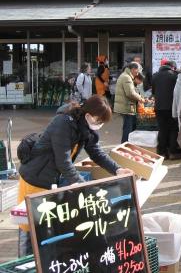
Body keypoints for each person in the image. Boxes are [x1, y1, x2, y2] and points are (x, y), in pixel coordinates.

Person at [17, 95, 133, 256]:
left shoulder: (85, 128)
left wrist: (117, 169)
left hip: (51, 180)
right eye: (98, 120)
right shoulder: (63, 123)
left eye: (101, 123)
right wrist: (81, 185)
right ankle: (22, 263)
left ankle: (41, 262)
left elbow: (96, 153)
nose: (99, 125)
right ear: (88, 115)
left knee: (45, 227)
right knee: (29, 227)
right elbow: (63, 162)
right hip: (34, 178)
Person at [152, 59, 181, 160]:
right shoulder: (174, 76)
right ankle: (173, 152)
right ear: (173, 67)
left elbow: (153, 91)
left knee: (162, 129)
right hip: (171, 107)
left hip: (159, 107)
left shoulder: (155, 76)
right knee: (173, 129)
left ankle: (162, 153)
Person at [114, 62, 145, 143]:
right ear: (133, 69)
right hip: (126, 106)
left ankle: (127, 144)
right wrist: (140, 99)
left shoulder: (126, 76)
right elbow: (130, 93)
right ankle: (125, 145)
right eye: (137, 71)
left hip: (126, 106)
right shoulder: (126, 77)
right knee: (128, 128)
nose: (137, 73)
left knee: (128, 127)